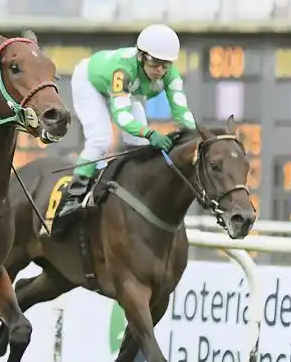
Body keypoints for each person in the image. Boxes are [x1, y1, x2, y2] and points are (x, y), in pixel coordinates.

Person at [52, 23, 197, 234]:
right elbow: (122, 116)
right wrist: (150, 132)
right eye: (155, 63)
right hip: (90, 82)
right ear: (141, 56)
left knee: (140, 144)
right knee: (101, 140)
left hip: (129, 91)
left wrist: (196, 136)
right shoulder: (123, 70)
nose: (160, 70)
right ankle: (73, 197)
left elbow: (182, 112)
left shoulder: (170, 74)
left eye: (165, 65)